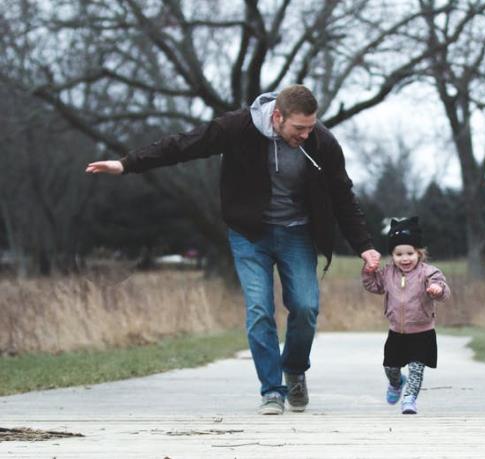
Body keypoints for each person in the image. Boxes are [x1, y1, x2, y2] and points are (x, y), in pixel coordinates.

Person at [86, 84, 381, 415]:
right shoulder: (237, 127)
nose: (305, 134)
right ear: (277, 116)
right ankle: (272, 390)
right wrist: (127, 164)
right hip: (249, 233)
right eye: (299, 128)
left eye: (311, 127)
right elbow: (184, 145)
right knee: (259, 310)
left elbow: (343, 196)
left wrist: (365, 247)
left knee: (306, 307)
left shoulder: (321, 142)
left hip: (296, 233)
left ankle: (295, 369)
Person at [361, 216, 450, 414]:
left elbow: (443, 290)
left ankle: (409, 400)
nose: (405, 258)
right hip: (396, 332)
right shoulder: (387, 273)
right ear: (392, 256)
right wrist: (368, 272)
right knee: (391, 368)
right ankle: (396, 383)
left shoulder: (428, 273)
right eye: (399, 254)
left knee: (417, 370)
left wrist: (437, 289)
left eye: (410, 253)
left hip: (422, 332)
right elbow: (373, 286)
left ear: (419, 253)